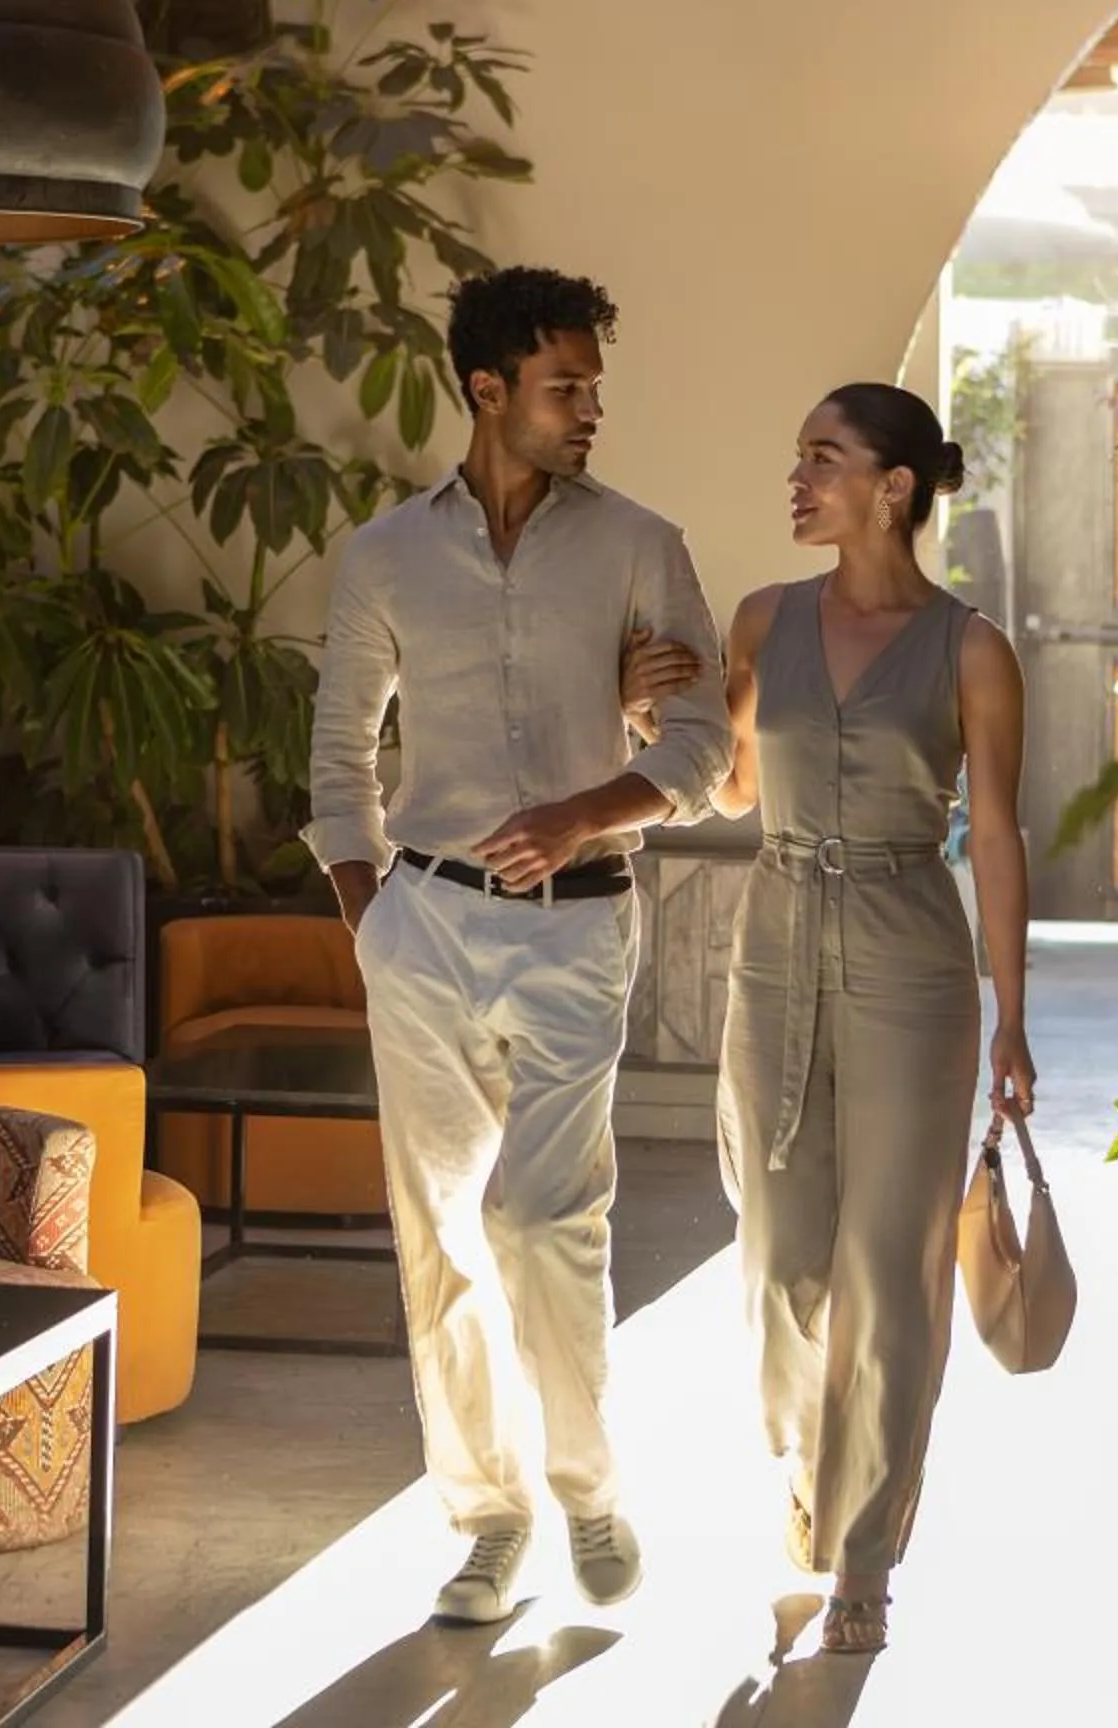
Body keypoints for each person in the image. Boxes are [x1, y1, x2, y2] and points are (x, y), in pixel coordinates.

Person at [304, 266, 735, 1626]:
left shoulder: (641, 544)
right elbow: (337, 750)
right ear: (488, 390)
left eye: (593, 384)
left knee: (547, 1218)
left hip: (580, 923)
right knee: (439, 1236)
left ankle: (589, 1486)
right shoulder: (383, 556)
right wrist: (368, 912)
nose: (591, 407)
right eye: (567, 386)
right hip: (420, 928)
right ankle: (488, 1524)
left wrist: (582, 813)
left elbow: (704, 743)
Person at [627, 381, 1033, 1654]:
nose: (796, 480)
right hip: (777, 942)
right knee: (784, 1253)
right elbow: (732, 782)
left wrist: (1012, 1014)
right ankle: (812, 1460)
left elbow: (1005, 834)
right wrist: (651, 716)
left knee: (889, 1267)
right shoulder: (763, 620)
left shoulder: (972, 647)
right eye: (797, 457)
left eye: (823, 458)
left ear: (894, 488)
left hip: (914, 958)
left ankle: (864, 1551)